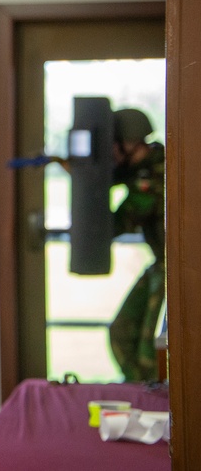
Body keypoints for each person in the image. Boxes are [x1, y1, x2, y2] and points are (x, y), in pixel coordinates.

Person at [108, 108, 165, 383]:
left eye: (114, 147)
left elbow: (120, 223)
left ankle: (156, 402)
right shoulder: (145, 168)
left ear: (128, 144)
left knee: (150, 351)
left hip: (175, 270)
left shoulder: (154, 174)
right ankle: (141, 391)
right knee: (121, 333)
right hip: (162, 266)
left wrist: (91, 185)